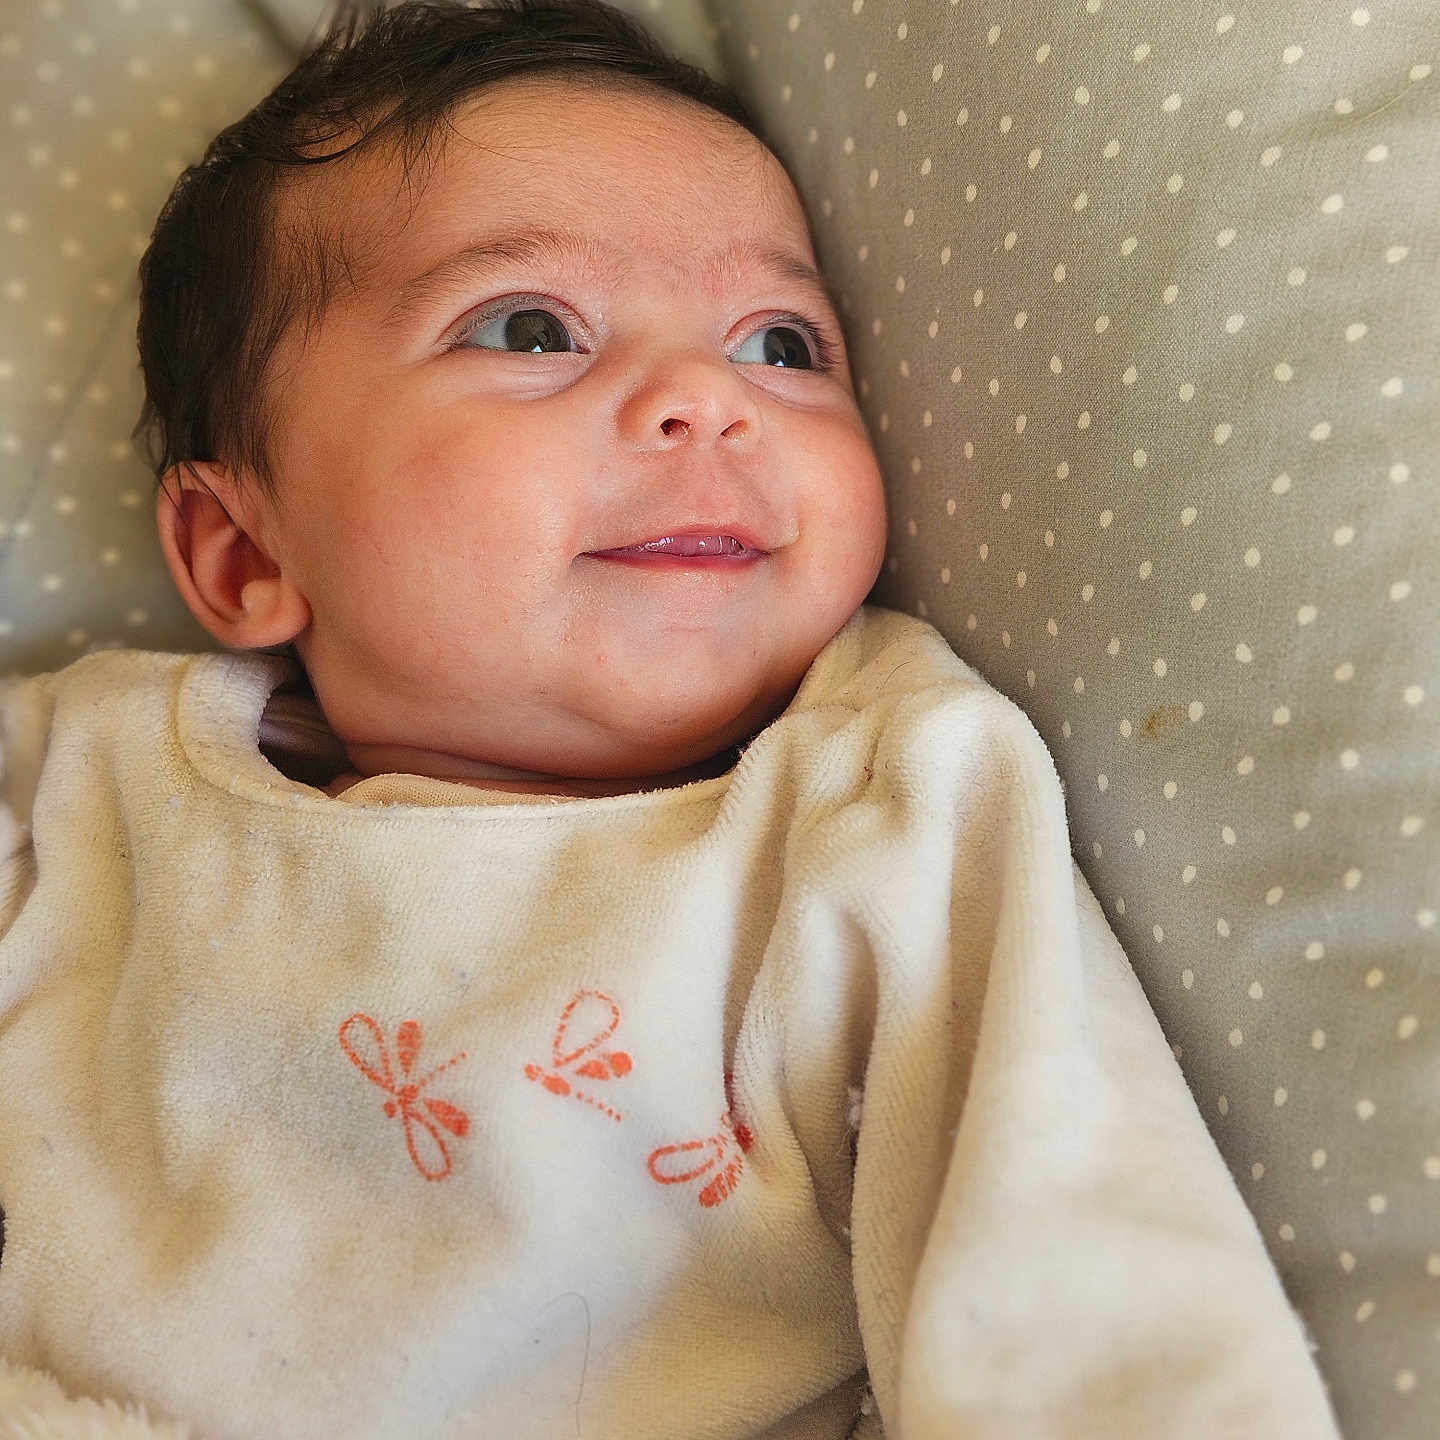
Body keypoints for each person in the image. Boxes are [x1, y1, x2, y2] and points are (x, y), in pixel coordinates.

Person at [0, 2, 1341, 1436]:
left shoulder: (873, 804)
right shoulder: (87, 787)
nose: (706, 397)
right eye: (531, 328)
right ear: (246, 556)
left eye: (782, 342)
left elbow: (1085, 1275)